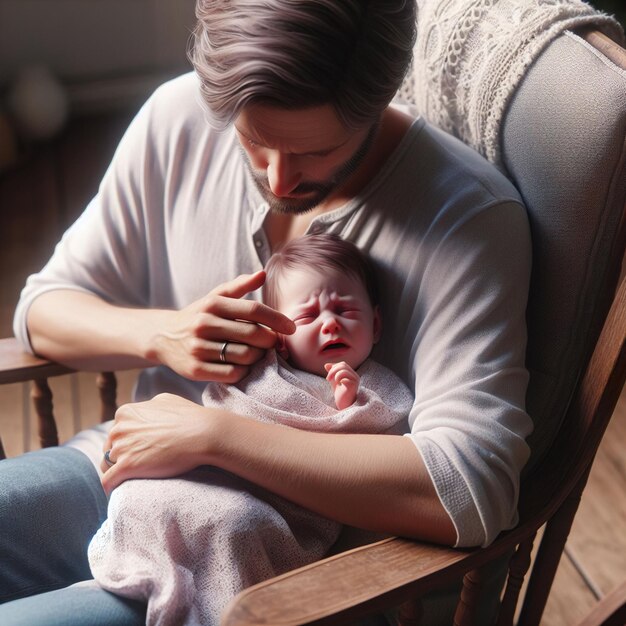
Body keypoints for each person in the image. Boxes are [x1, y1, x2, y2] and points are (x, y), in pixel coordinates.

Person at [0, 1, 533, 624]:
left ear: (382, 94)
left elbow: (470, 488)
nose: (278, 180)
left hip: (277, 569)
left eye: (316, 151)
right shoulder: (179, 119)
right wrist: (163, 335)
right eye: (254, 141)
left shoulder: (467, 217)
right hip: (125, 483)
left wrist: (220, 437)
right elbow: (44, 307)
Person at [87, 233, 414, 626]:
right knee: (141, 495)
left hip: (285, 509)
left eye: (345, 311)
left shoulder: (375, 389)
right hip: (211, 476)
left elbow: (374, 450)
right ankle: (147, 565)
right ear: (279, 334)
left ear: (376, 325)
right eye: (308, 317)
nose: (330, 325)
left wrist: (347, 406)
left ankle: (216, 604)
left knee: (237, 525)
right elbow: (222, 407)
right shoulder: (262, 371)